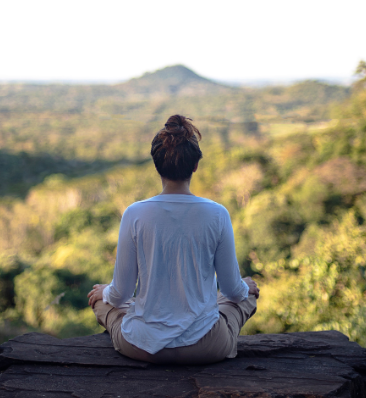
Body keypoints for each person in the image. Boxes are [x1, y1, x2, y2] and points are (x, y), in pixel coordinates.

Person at [87, 114, 259, 364]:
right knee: (245, 293)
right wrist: (245, 288)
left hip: (142, 346)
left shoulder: (134, 213)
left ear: (157, 165)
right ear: (195, 165)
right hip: (207, 347)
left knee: (102, 301)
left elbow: (121, 295)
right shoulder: (217, 214)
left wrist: (106, 292)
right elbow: (232, 291)